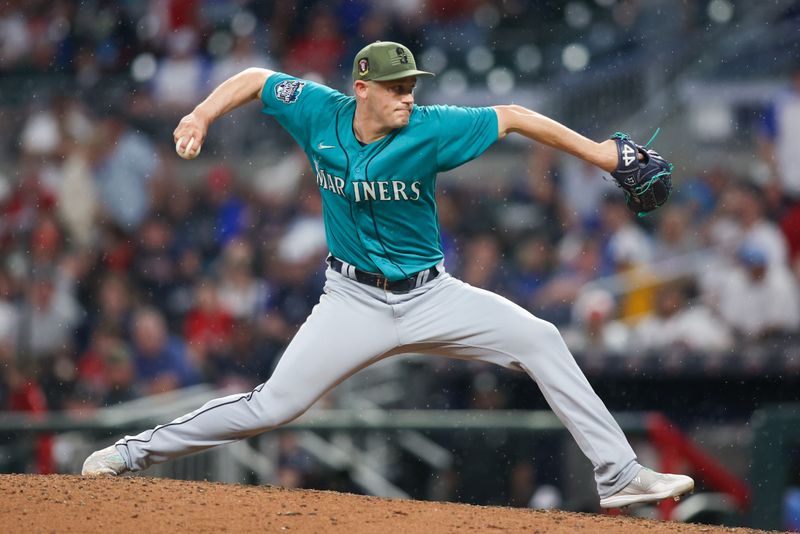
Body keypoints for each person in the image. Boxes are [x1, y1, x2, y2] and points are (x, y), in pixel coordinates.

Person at [82, 41, 693, 509]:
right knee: (273, 406)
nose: (408, 96)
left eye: (411, 86)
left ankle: (618, 475)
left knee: (541, 338)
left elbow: (511, 116)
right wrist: (200, 113)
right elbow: (253, 80)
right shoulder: (320, 113)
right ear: (363, 87)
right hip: (351, 300)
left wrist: (605, 155)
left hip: (433, 294)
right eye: (397, 87)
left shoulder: (431, 127)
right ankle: (130, 453)